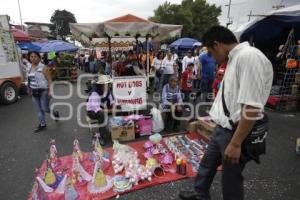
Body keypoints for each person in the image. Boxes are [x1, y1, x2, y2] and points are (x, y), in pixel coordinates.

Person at [179, 26, 273, 200]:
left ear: (217, 45)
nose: (213, 58)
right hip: (221, 128)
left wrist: (236, 144)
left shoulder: (249, 57)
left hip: (234, 132)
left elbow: (252, 107)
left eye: (211, 53)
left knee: (231, 178)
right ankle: (200, 193)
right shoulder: (234, 58)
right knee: (207, 164)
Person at [27, 51, 60, 133]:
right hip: (34, 91)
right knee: (39, 109)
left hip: (43, 91)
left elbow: (49, 80)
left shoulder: (43, 67)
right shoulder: (29, 68)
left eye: (35, 56)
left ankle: (55, 113)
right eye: (31, 56)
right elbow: (29, 80)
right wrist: (29, 89)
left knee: (45, 108)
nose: (33, 58)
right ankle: (42, 124)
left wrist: (50, 91)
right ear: (29, 58)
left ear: (39, 57)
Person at [86, 75, 115, 145]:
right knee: (101, 115)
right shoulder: (95, 93)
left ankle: (113, 131)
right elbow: (96, 108)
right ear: (102, 85)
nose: (109, 85)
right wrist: (108, 111)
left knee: (117, 108)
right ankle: (102, 136)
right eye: (107, 84)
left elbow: (112, 101)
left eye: (109, 84)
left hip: (102, 108)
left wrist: (113, 107)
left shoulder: (107, 91)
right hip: (92, 111)